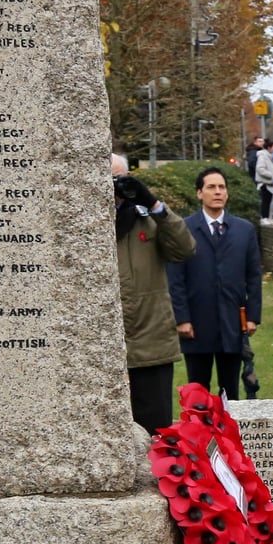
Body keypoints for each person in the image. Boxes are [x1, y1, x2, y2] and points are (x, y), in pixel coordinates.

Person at [111, 152, 195, 433]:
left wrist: (155, 205)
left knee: (154, 436)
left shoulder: (146, 219)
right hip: (107, 347)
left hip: (151, 342)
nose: (114, 188)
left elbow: (185, 249)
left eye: (119, 180)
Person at [167, 167, 261, 400]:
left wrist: (252, 316)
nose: (217, 192)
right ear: (199, 193)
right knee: (197, 391)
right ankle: (198, 436)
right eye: (211, 187)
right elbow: (175, 278)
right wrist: (182, 319)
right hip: (197, 324)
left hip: (232, 322)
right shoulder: (184, 229)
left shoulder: (244, 230)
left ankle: (228, 435)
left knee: (230, 390)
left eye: (222, 187)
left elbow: (253, 276)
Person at [248, 136, 273, 223]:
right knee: (265, 201)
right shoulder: (262, 156)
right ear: (269, 147)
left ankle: (266, 217)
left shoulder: (270, 156)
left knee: (268, 200)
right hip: (264, 182)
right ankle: (264, 218)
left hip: (269, 182)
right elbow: (260, 168)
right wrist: (271, 175)